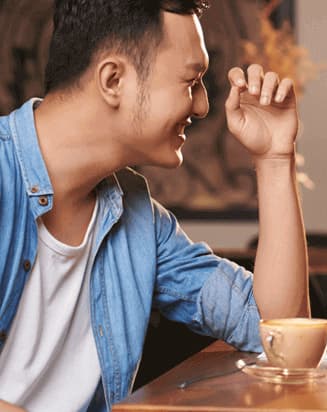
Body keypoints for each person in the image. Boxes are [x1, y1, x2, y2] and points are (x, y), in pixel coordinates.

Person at [0, 0, 309, 410]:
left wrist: (274, 159)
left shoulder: (139, 221)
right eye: (190, 81)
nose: (202, 105)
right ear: (113, 80)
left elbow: (279, 332)